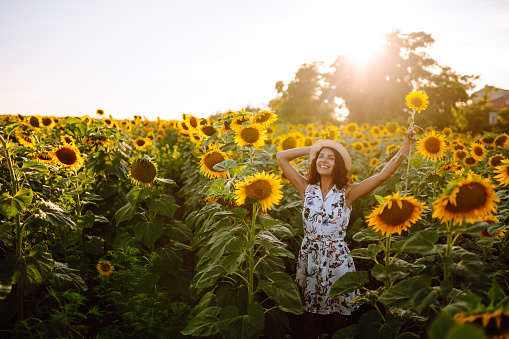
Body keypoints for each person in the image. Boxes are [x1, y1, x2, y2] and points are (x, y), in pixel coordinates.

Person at [276, 127, 415, 338]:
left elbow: (382, 176)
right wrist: (314, 148)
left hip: (336, 259)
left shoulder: (347, 193)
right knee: (310, 322)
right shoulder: (306, 189)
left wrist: (405, 148)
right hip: (311, 258)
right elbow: (281, 157)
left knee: (337, 321)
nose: (324, 160)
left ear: (338, 164)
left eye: (330, 158)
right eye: (320, 157)